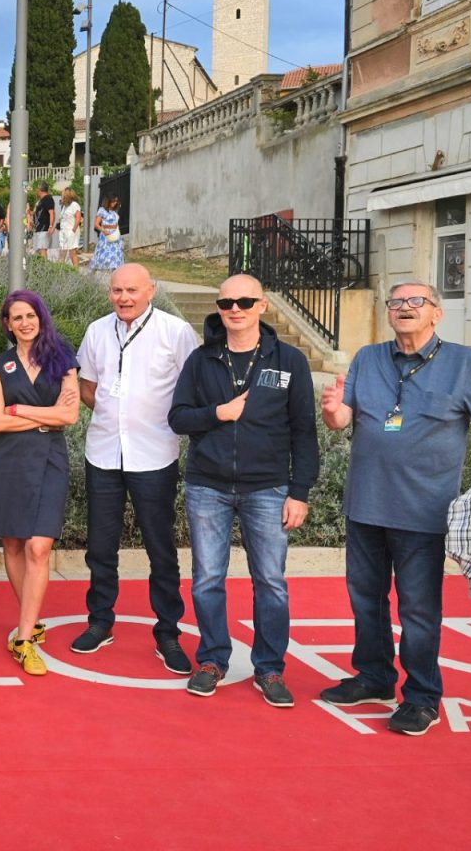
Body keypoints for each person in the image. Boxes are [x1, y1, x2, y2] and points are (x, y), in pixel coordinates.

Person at [318, 281, 471, 736]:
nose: (405, 308)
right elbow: (341, 421)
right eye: (397, 302)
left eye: (418, 301)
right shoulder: (368, 359)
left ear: (437, 313)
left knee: (417, 609)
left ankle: (421, 697)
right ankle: (374, 678)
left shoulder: (464, 364)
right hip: (365, 507)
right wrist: (332, 410)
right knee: (365, 601)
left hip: (426, 515)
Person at [169, 275, 318, 706]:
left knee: (271, 582)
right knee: (207, 580)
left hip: (268, 487)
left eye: (244, 301)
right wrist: (219, 412)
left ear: (262, 306)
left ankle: (270, 669)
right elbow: (178, 417)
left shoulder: (289, 361)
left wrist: (300, 491)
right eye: (226, 302)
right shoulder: (201, 360)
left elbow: (304, 433)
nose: (235, 308)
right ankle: (213, 659)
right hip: (207, 487)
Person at [72, 263, 200, 673]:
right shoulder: (96, 331)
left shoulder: (175, 332)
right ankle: (100, 622)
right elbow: (87, 386)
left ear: (151, 290)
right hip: (104, 451)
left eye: (131, 290)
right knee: (100, 546)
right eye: (116, 291)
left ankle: (168, 631)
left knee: (160, 549)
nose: (123, 298)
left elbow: (192, 387)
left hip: (155, 455)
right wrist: (116, 413)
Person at [0, 289, 79, 676]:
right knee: (12, 542)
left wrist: (21, 409)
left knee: (38, 546)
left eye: (29, 315)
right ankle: (30, 621)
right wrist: (45, 415)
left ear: (41, 317)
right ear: (8, 324)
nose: (24, 323)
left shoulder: (62, 357)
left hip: (49, 459)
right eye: (15, 317)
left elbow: (69, 416)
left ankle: (23, 639)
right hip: (8, 460)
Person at [92, 195, 124, 275]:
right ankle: (100, 269)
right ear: (108, 201)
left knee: (116, 253)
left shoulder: (114, 211)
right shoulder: (102, 210)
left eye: (116, 201)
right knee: (105, 252)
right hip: (106, 234)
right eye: (113, 201)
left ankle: (114, 271)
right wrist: (103, 230)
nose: (115, 203)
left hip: (115, 234)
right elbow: (96, 224)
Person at [56, 187, 83, 266]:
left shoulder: (74, 205)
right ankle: (60, 270)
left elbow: (78, 218)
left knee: (72, 252)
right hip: (64, 231)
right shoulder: (65, 206)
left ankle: (76, 270)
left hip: (71, 231)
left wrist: (73, 230)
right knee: (62, 252)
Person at [31, 181, 56, 259]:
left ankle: (44, 266)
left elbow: (52, 213)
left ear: (40, 189)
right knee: (38, 249)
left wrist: (51, 226)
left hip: (44, 229)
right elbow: (35, 213)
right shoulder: (40, 201)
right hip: (38, 229)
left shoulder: (48, 198)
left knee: (42, 249)